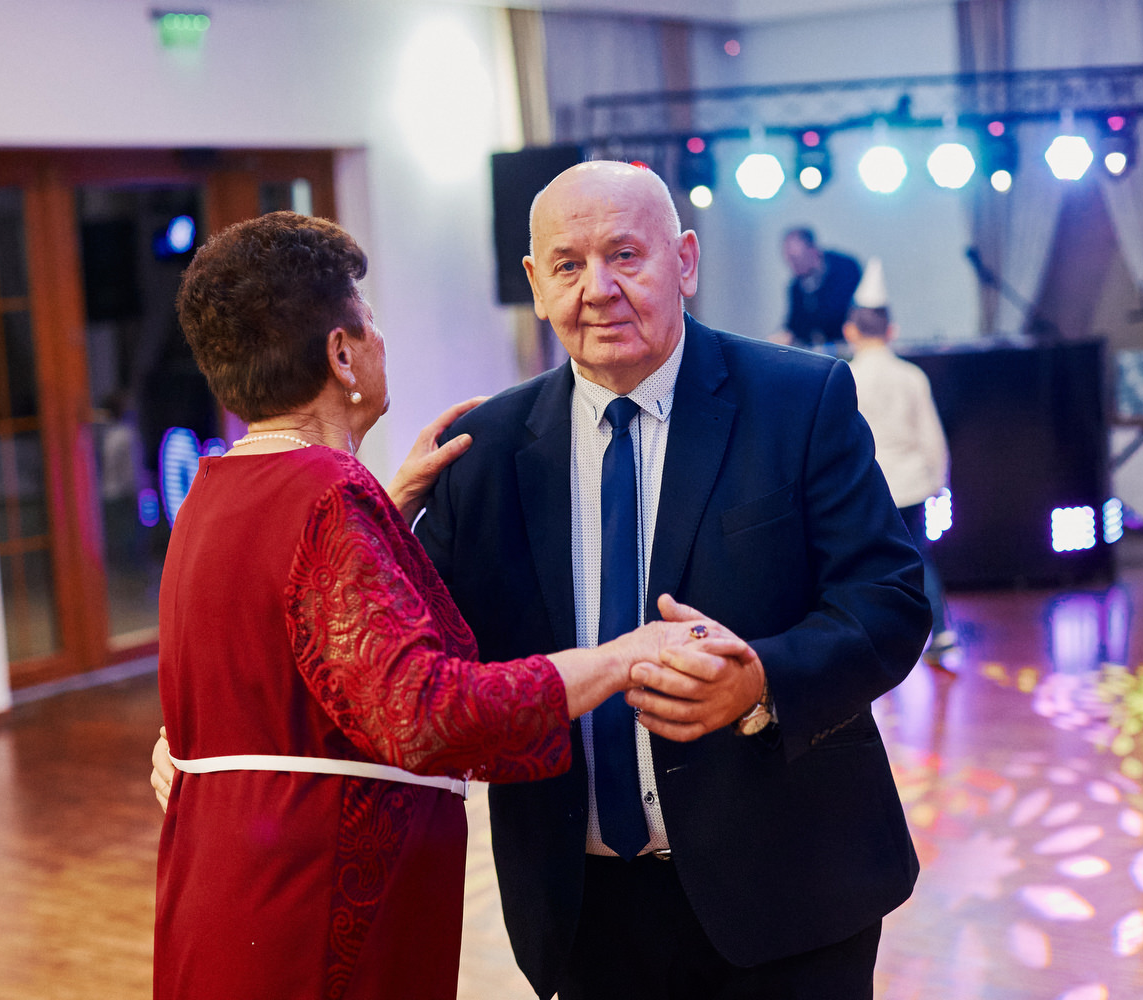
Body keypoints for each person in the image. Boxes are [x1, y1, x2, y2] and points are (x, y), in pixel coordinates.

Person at [148, 211, 748, 1000]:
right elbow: (426, 715)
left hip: (229, 881)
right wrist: (620, 656)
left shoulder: (219, 487)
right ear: (341, 353)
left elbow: (281, 630)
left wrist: (383, 517)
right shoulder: (327, 496)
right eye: (369, 324)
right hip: (312, 903)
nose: (380, 340)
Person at [412, 162, 930, 999]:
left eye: (625, 255)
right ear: (537, 284)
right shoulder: (485, 450)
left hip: (789, 892)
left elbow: (890, 602)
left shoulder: (799, 400)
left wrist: (762, 681)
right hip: (585, 910)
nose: (599, 289)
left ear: (684, 261)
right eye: (569, 265)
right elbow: (414, 662)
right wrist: (377, 514)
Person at [843, 260, 957, 669]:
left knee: (865, 566)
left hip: (868, 488)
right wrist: (940, 480)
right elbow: (931, 436)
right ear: (891, 330)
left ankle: (872, 642)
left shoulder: (846, 376)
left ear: (850, 331)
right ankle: (941, 633)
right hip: (911, 486)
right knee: (919, 559)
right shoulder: (911, 377)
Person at [775, 226, 862, 350]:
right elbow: (794, 323)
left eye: (796, 259)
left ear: (813, 251)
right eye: (789, 260)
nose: (792, 266)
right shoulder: (796, 287)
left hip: (850, 345)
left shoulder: (846, 269)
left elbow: (836, 312)